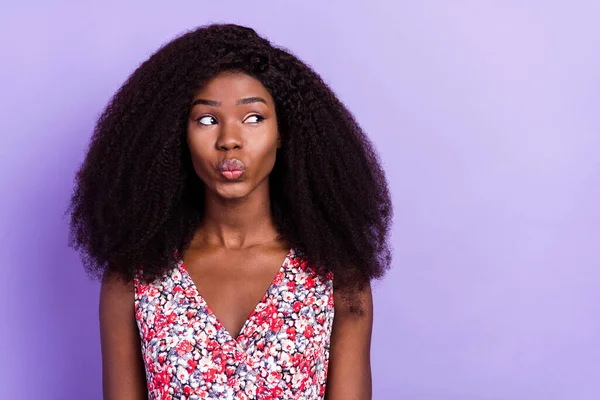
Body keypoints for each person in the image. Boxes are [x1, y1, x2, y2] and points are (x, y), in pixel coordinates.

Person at [67, 23, 392, 400]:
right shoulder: (134, 279)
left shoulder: (337, 277)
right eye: (207, 120)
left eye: (253, 118)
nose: (229, 140)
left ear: (283, 130)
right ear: (177, 133)